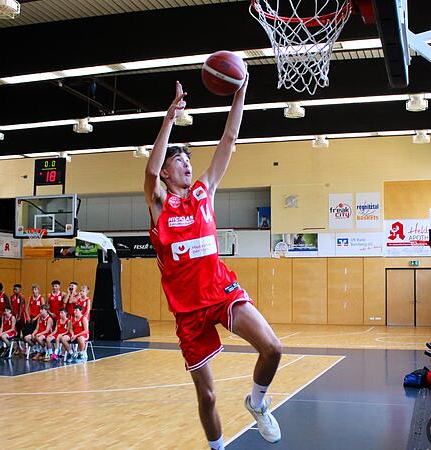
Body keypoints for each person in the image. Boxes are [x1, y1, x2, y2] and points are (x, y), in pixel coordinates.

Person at [144, 78, 282, 449]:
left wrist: (240, 93)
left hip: (221, 291)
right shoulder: (159, 204)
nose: (187, 165)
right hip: (188, 312)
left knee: (273, 348)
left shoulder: (205, 192)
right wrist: (169, 118)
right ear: (167, 173)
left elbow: (229, 140)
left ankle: (257, 401)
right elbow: (149, 172)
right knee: (207, 397)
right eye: (178, 161)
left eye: (189, 160)